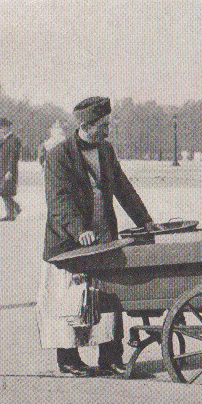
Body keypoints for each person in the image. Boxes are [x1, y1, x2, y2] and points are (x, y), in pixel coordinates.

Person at [37, 97, 159, 377]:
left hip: (103, 237)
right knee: (71, 300)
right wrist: (80, 230)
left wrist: (146, 221)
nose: (108, 130)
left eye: (108, 124)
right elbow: (59, 201)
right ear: (86, 125)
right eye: (103, 126)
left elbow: (124, 189)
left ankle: (111, 358)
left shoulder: (105, 150)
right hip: (68, 243)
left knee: (109, 297)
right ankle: (68, 360)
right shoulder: (58, 156)